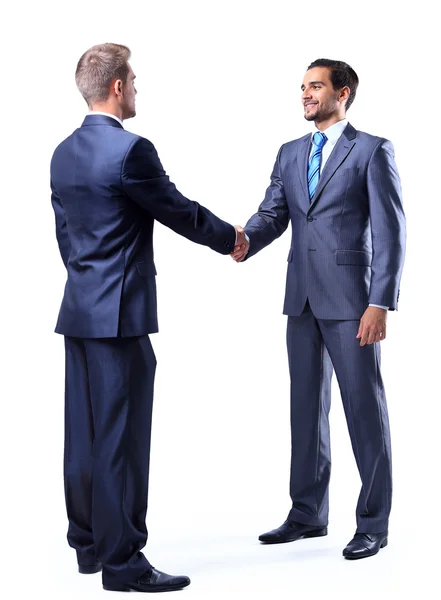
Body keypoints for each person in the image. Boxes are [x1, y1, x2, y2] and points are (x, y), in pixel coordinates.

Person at [51, 42, 248, 593]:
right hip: (120, 318)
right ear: (117, 87)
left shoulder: (62, 153)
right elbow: (178, 210)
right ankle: (123, 563)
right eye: (133, 79)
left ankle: (88, 547)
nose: (137, 88)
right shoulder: (131, 152)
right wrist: (230, 238)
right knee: (122, 441)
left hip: (80, 311)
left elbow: (66, 235)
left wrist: (87, 280)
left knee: (84, 439)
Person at [232, 58, 405, 560]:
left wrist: (380, 302)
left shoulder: (372, 150)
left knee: (363, 409)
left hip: (354, 301)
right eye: (302, 87)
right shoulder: (289, 153)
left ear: (342, 92)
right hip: (301, 298)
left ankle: (373, 522)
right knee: (306, 409)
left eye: (315, 86)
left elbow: (393, 233)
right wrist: (245, 239)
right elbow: (273, 212)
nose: (305, 94)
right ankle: (307, 512)